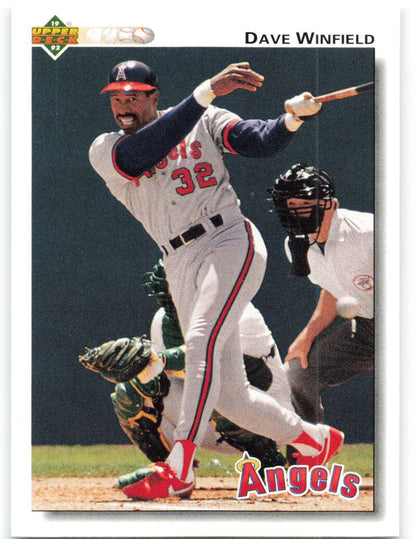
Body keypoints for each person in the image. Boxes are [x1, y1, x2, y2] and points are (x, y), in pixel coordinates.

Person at [89, 60, 343, 500]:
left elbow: (258, 141)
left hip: (226, 239)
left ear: (153, 95)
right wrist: (204, 90)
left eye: (133, 95)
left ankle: (180, 467)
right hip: (177, 259)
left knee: (201, 340)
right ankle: (316, 440)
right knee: (230, 396)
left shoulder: (202, 118)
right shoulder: (106, 148)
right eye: (116, 96)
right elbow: (143, 152)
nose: (123, 104)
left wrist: (292, 119)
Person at [111, 259, 291, 493]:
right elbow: (167, 379)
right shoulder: (160, 322)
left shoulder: (237, 310)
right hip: (210, 425)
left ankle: (269, 464)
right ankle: (173, 471)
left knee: (216, 385)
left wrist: (159, 359)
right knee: (131, 389)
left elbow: (208, 360)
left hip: (267, 421)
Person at [269, 163, 374, 429]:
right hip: (365, 330)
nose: (296, 212)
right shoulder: (295, 246)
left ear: (329, 203)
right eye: (289, 205)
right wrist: (307, 336)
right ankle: (309, 455)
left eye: (303, 203)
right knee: (299, 374)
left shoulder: (368, 232)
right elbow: (334, 287)